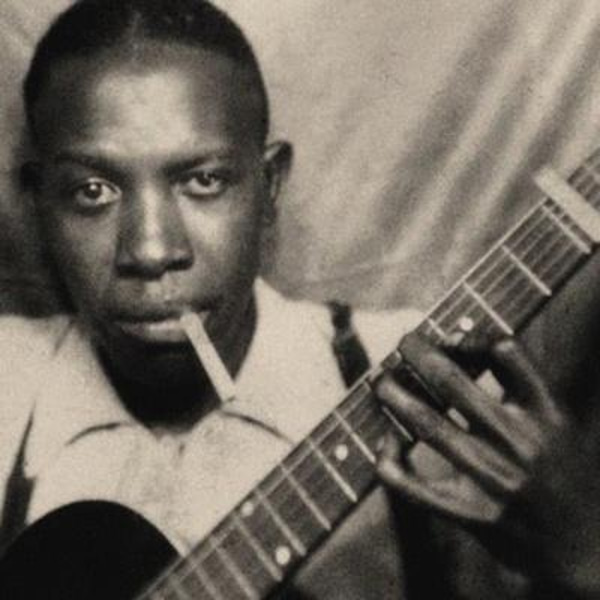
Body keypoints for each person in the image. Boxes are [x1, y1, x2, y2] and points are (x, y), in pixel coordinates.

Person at [1, 0, 600, 597]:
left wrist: (587, 558)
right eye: (93, 191)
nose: (151, 250)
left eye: (203, 181)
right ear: (37, 201)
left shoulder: (443, 392)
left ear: (270, 186)